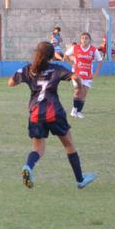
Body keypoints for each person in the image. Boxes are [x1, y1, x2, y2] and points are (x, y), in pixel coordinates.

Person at [9, 41, 97, 189]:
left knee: (38, 150)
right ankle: (80, 179)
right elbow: (75, 77)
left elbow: (10, 83)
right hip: (54, 111)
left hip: (36, 113)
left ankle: (28, 167)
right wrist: (80, 87)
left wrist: (25, 75)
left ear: (37, 53)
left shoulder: (28, 69)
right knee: (69, 145)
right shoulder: (56, 69)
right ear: (51, 56)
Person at [63, 31, 103, 119]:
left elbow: (100, 61)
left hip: (88, 74)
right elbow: (65, 55)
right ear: (80, 40)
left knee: (84, 93)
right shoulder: (75, 48)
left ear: (89, 40)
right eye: (82, 38)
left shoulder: (93, 50)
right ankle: (74, 110)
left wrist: (96, 73)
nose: (84, 40)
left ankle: (79, 111)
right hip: (77, 73)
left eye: (86, 38)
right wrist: (72, 64)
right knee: (78, 90)